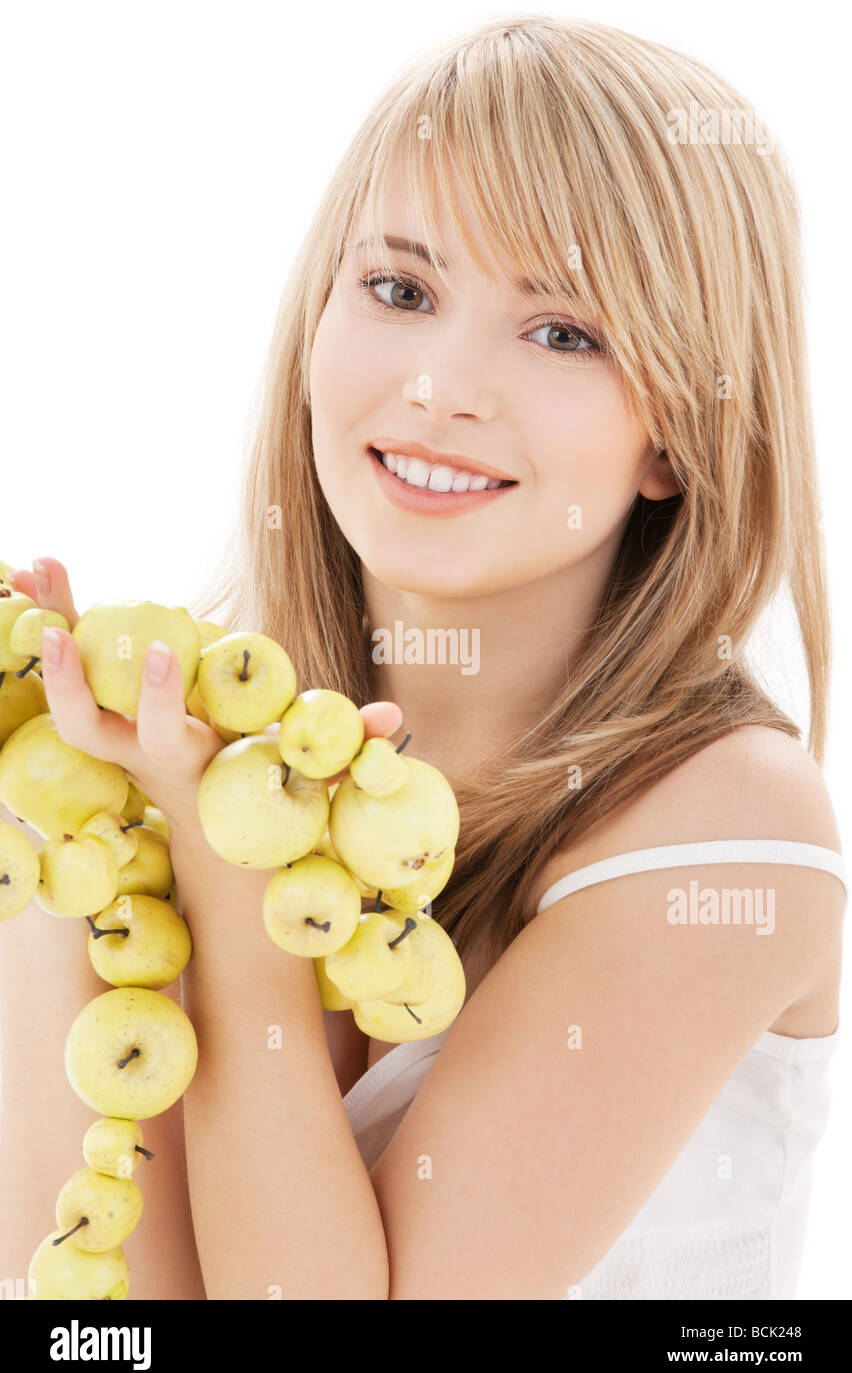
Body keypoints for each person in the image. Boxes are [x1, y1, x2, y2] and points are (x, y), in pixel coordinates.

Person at [0, 14, 845, 1300]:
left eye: (564, 331)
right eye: (401, 290)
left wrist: (234, 880)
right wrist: (76, 823)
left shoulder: (729, 831)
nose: (442, 386)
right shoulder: (161, 772)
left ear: (679, 432)